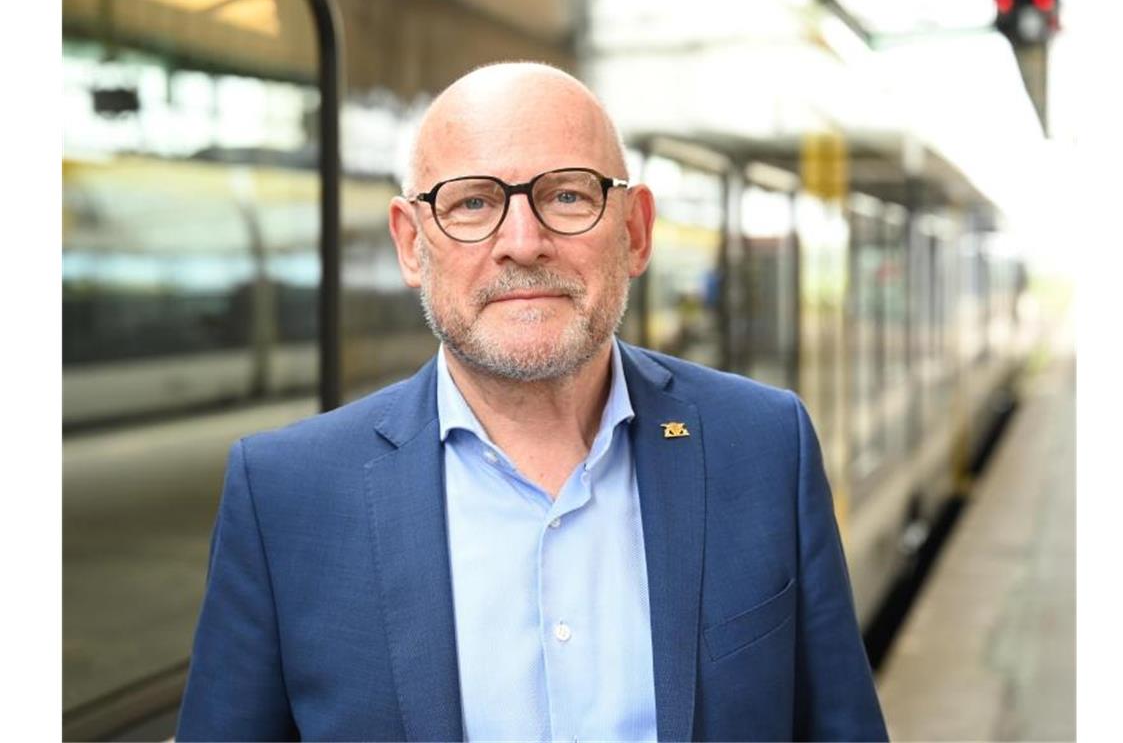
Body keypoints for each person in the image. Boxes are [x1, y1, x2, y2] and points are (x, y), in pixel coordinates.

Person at [177, 62, 887, 742]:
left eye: (568, 195)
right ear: (411, 245)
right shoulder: (282, 497)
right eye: (473, 203)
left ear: (635, 231)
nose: (523, 243)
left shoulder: (765, 446)